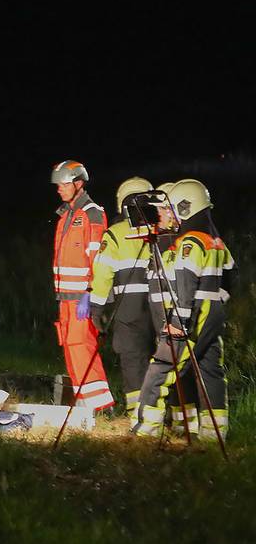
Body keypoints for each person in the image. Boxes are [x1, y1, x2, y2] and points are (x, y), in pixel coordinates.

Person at [134, 179, 233, 440]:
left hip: (194, 312)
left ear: (185, 207)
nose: (168, 214)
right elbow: (230, 274)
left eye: (171, 208)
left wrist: (179, 322)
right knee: (210, 369)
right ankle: (214, 432)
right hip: (213, 311)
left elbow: (186, 285)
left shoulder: (189, 242)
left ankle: (146, 427)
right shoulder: (214, 240)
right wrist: (218, 300)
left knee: (164, 365)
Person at [49, 160, 115, 412]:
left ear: (78, 183)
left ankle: (100, 406)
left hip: (81, 297)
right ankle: (85, 404)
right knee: (70, 347)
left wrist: (91, 293)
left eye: (63, 184)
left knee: (81, 346)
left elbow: (97, 256)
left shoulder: (92, 213)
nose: (58, 189)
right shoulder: (66, 214)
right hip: (65, 297)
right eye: (57, 184)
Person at [88, 177, 156, 419]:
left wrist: (96, 308)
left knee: (132, 358)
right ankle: (161, 412)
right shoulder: (162, 231)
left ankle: (139, 414)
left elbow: (103, 273)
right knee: (160, 360)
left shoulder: (115, 234)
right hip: (161, 307)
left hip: (128, 309)